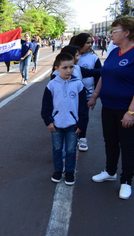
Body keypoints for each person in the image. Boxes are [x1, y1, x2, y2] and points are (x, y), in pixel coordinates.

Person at [89, 17, 134, 200]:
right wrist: (94, 96)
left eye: (114, 31)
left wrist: (131, 112)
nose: (111, 35)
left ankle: (126, 181)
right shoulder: (114, 52)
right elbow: (104, 76)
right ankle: (110, 171)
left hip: (126, 110)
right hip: (108, 107)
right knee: (110, 141)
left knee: (128, 146)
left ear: (127, 32)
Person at [41, 53, 88, 185]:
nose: (68, 71)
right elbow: (46, 106)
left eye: (71, 67)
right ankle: (57, 171)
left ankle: (69, 172)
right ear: (57, 68)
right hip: (56, 125)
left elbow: (83, 107)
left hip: (72, 125)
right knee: (57, 149)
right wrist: (48, 121)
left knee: (71, 150)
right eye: (65, 68)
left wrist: (81, 124)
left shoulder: (78, 84)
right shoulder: (52, 85)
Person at [72, 33, 102, 152]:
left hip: (87, 94)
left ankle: (82, 138)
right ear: (80, 43)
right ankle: (71, 137)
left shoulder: (93, 58)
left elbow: (99, 75)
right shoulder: (71, 54)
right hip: (71, 94)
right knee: (71, 115)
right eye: (87, 43)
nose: (90, 45)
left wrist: (95, 94)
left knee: (83, 116)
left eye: (91, 42)